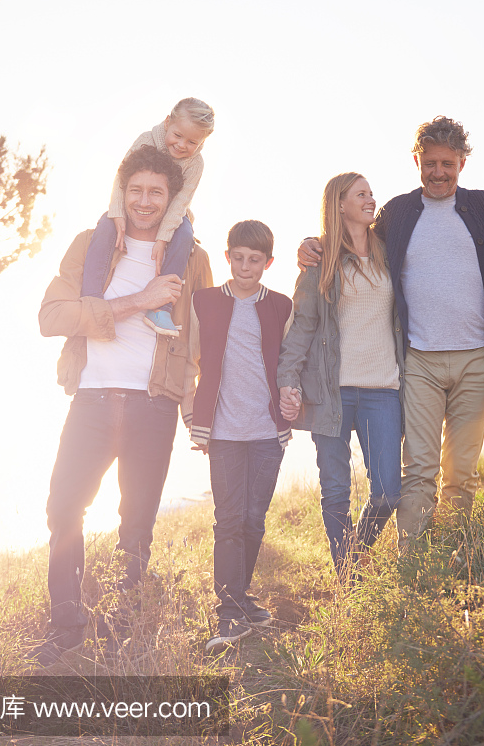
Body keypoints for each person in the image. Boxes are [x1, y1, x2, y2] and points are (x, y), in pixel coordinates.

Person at [33, 145, 214, 667]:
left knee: (136, 521)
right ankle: (66, 625)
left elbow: (205, 336)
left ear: (172, 197)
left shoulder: (192, 256)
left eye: (156, 191)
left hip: (153, 405)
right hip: (91, 399)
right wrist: (140, 300)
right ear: (122, 191)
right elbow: (51, 317)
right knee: (63, 507)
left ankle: (126, 619)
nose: (144, 200)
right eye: (135, 189)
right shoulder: (90, 245)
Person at [300, 116, 484, 549]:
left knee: (462, 472)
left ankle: (457, 557)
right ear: (417, 160)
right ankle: (413, 561)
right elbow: (353, 242)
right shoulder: (397, 213)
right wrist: (312, 245)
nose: (438, 172)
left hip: (476, 359)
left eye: (447, 163)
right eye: (429, 162)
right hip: (418, 362)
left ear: (462, 164)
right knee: (418, 470)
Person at [278, 173, 407, 578]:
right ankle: (348, 581)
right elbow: (299, 329)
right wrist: (288, 380)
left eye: (371, 193)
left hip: (382, 389)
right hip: (330, 393)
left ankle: (356, 553)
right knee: (336, 492)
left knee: (388, 491)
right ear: (339, 205)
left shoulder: (390, 253)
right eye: (361, 194)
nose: (371, 199)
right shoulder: (321, 263)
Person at [183, 220, 293, 651]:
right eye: (239, 258)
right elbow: (189, 356)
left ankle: (240, 597)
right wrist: (189, 407)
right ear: (227, 257)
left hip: (267, 430)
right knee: (227, 520)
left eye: (256, 260)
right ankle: (228, 612)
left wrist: (293, 394)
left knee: (253, 519)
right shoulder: (204, 301)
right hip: (224, 430)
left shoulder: (281, 306)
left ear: (268, 263)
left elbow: (290, 362)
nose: (246, 267)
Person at [81, 97, 216, 336]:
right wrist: (117, 213)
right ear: (167, 123)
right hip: (128, 204)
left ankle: (160, 309)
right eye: (178, 135)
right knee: (105, 225)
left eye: (192, 141)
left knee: (185, 234)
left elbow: (180, 203)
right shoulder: (147, 140)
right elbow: (122, 178)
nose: (182, 145)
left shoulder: (196, 164)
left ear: (202, 142)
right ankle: (91, 297)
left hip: (173, 211)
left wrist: (163, 238)